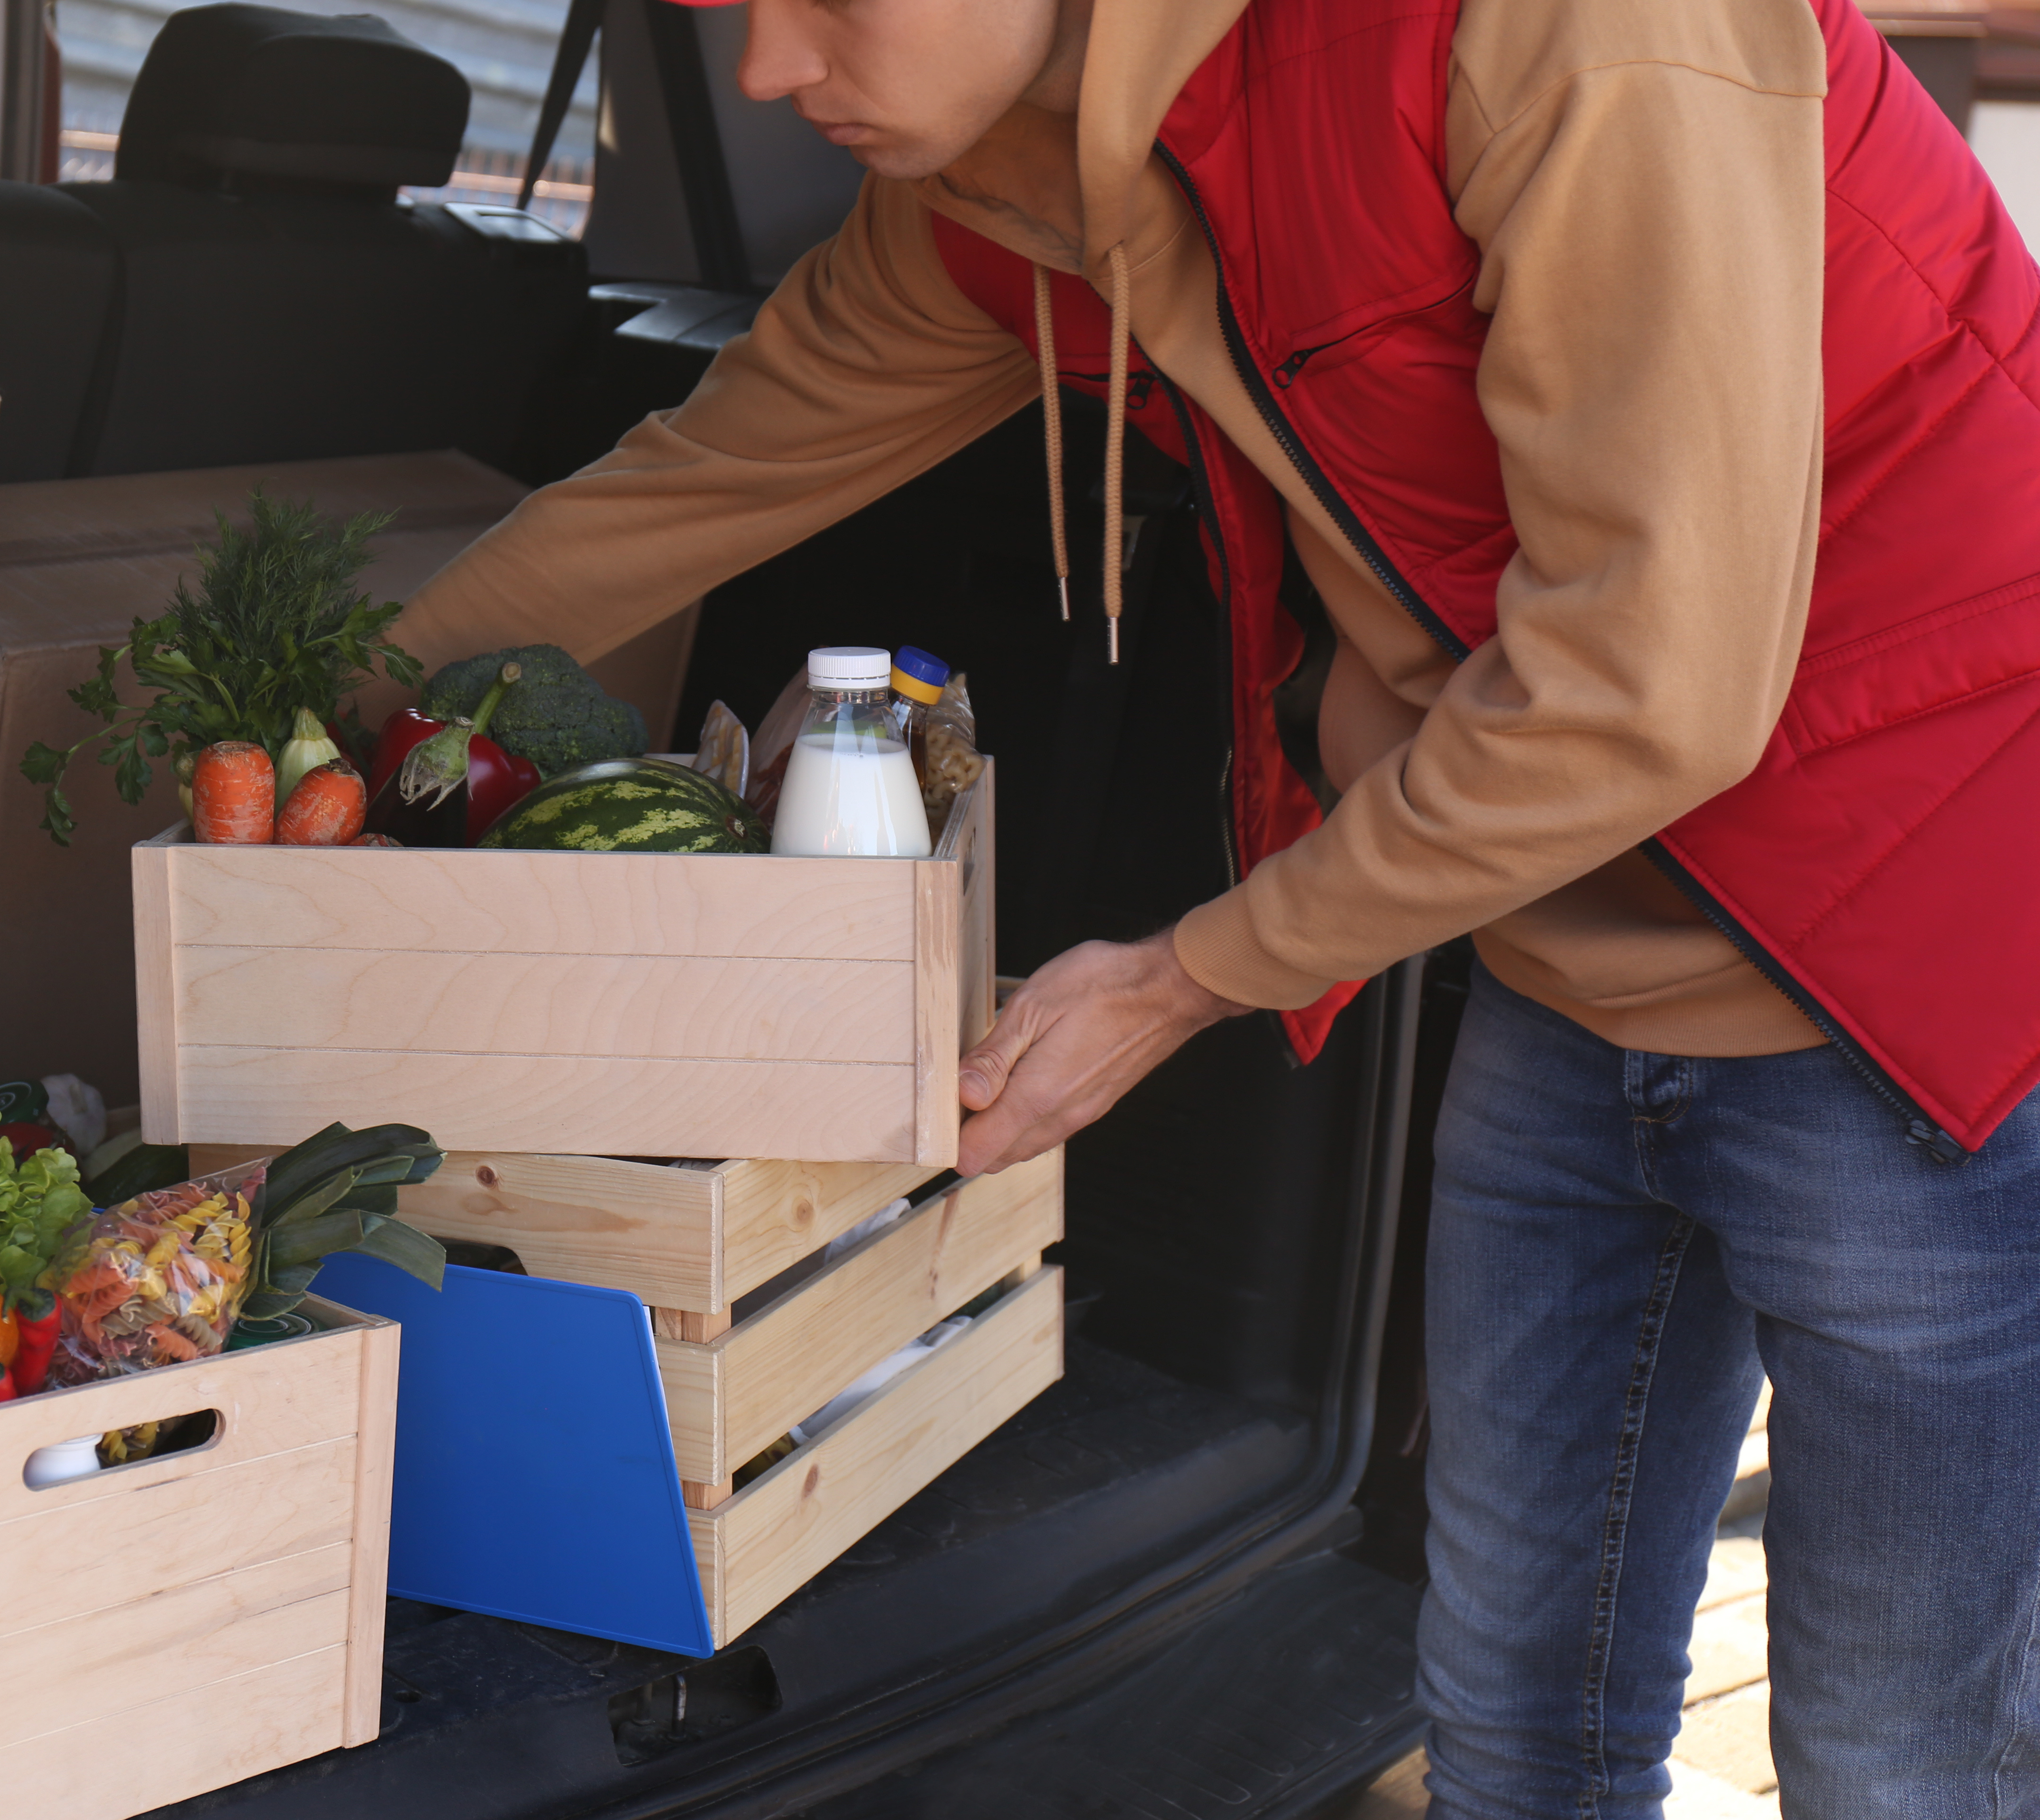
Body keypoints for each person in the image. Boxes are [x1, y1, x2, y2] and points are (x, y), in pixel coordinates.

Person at [390, 0, 2040, 1811]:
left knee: (1900, 1765)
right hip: (1568, 973)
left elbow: (1654, 684)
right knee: (1509, 1734)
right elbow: (683, 489)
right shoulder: (1001, 200)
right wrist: (309, 721)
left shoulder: (1553, 28)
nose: (772, 71)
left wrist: (1190, 976)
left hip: (1936, 976)